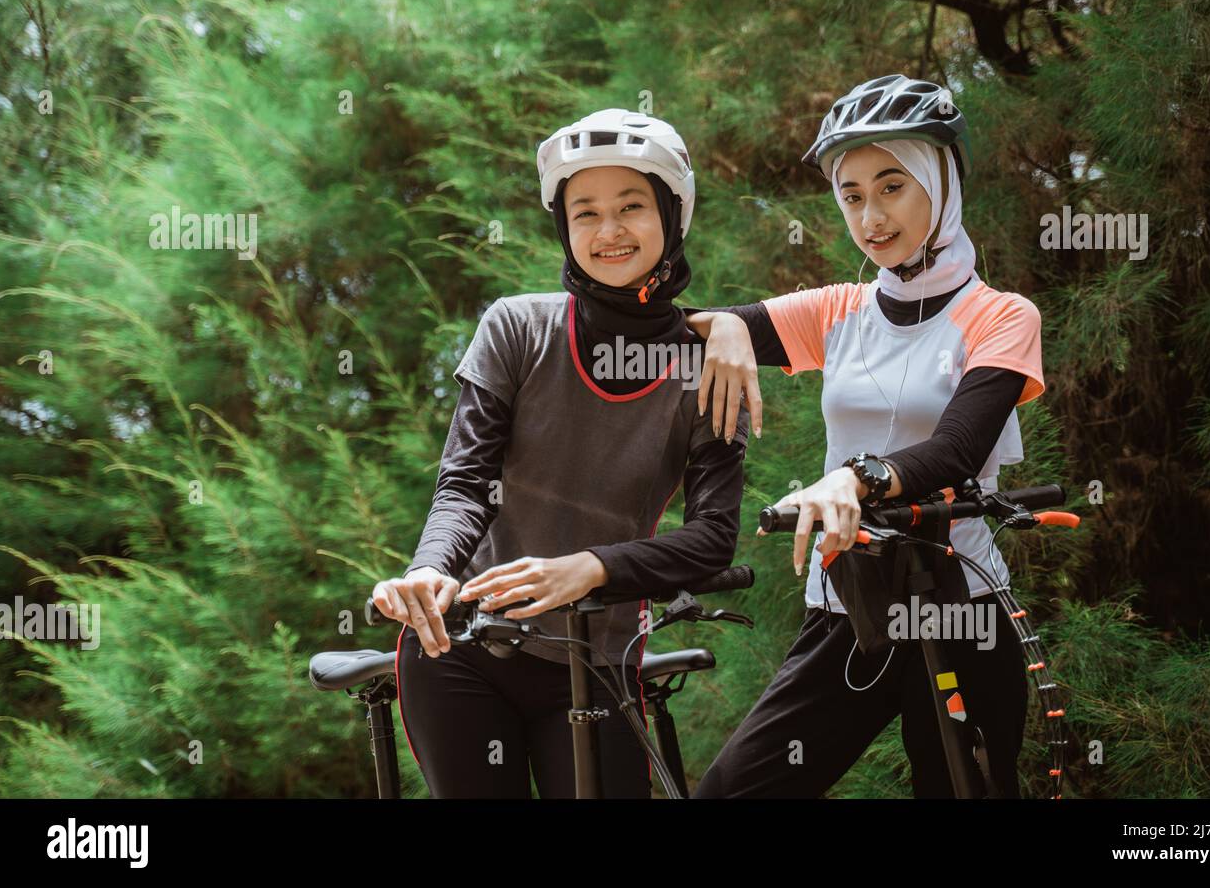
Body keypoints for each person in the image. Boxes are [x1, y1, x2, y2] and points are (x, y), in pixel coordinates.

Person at [683, 75, 1046, 798]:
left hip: (961, 610)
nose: (870, 216)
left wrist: (855, 477)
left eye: (892, 187)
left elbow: (955, 454)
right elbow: (671, 331)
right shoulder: (839, 310)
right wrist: (723, 324)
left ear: (940, 186)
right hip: (850, 610)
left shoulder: (1002, 316)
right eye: (851, 195)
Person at [371, 108, 749, 798]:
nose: (608, 232)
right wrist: (430, 570)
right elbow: (465, 485)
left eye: (631, 206)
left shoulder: (708, 365)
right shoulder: (517, 327)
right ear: (563, 227)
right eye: (585, 213)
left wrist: (592, 568)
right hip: (461, 652)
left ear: (673, 214)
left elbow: (713, 539)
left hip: (598, 660)